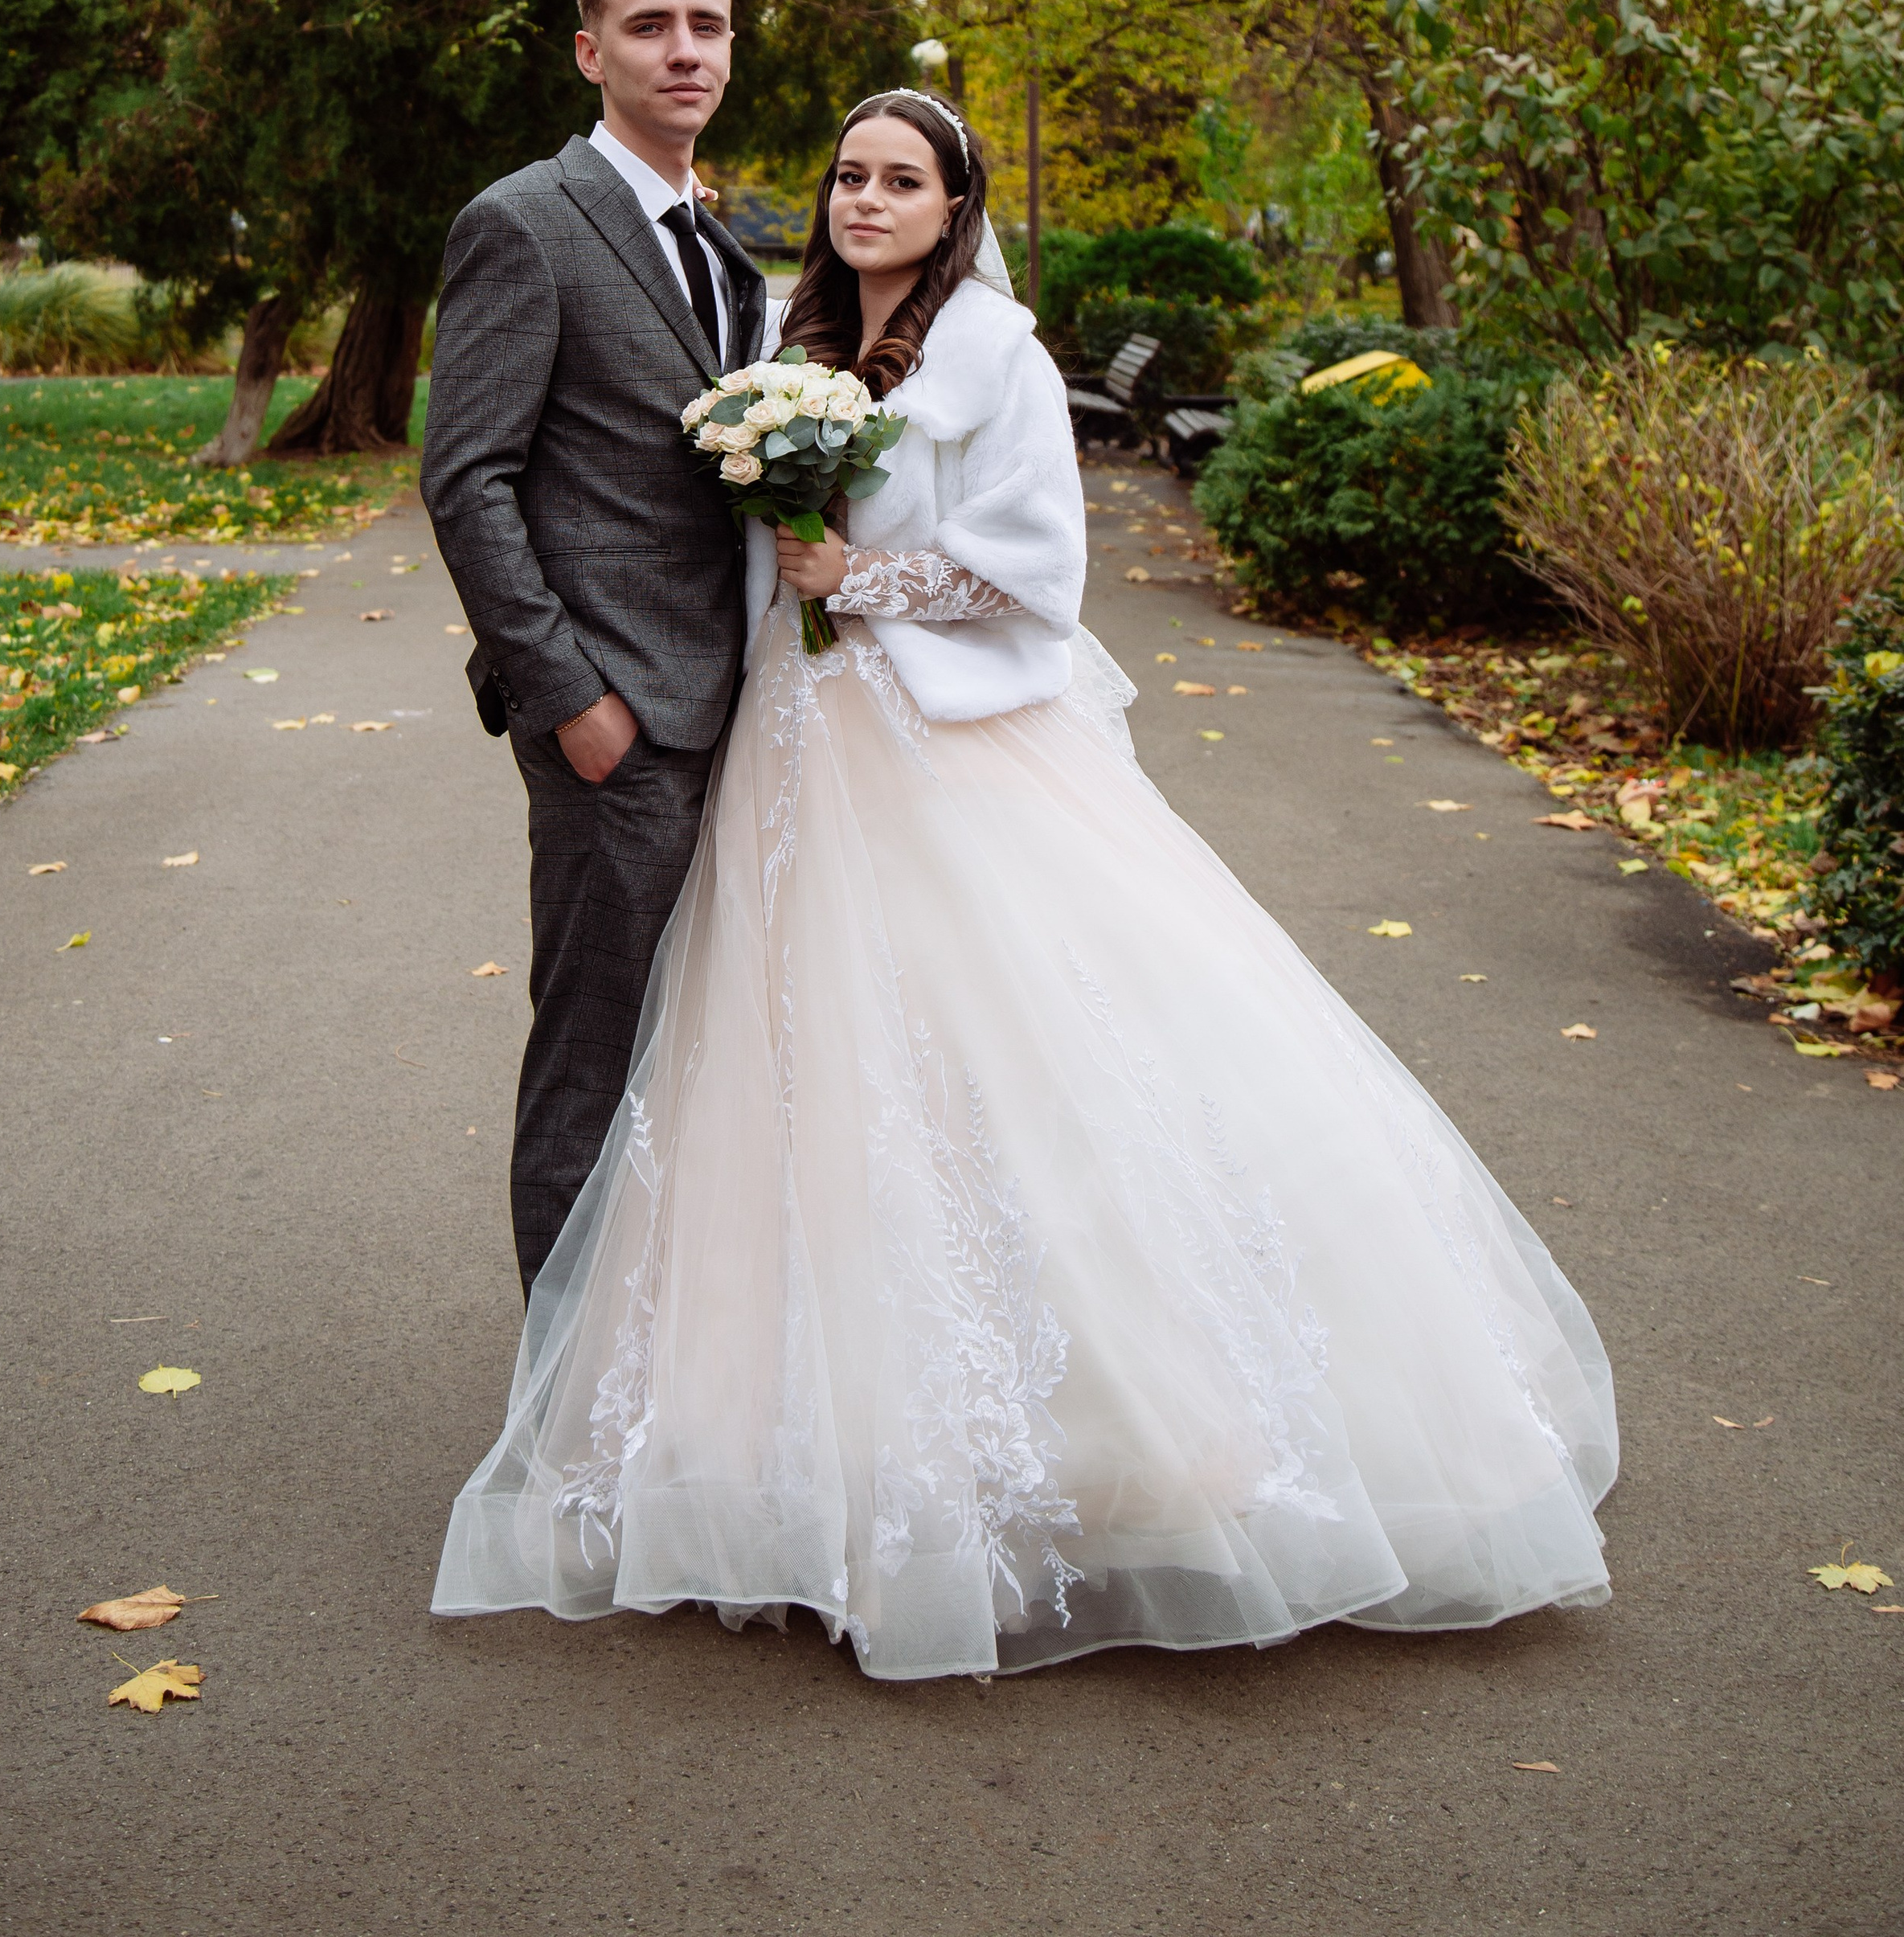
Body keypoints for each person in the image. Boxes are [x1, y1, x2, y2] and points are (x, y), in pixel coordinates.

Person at [433, 91, 1618, 1681]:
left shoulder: (991, 350)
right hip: (785, 743)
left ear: (951, 207)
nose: (865, 197)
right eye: (849, 174)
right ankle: (764, 1435)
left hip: (937, 741)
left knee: (997, 1056)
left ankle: (1090, 1424)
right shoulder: (785, 347)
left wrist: (861, 575)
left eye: (900, 179)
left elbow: (1038, 569)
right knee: (795, 1075)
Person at [421, 0, 767, 1293]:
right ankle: (564, 1413)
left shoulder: (721, 252)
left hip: (734, 709)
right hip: (615, 730)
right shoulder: (526, 221)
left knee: (701, 1053)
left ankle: (663, 1351)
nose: (686, 51)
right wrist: (573, 704)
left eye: (709, 25)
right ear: (591, 51)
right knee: (593, 1056)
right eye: (651, 27)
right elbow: (467, 480)